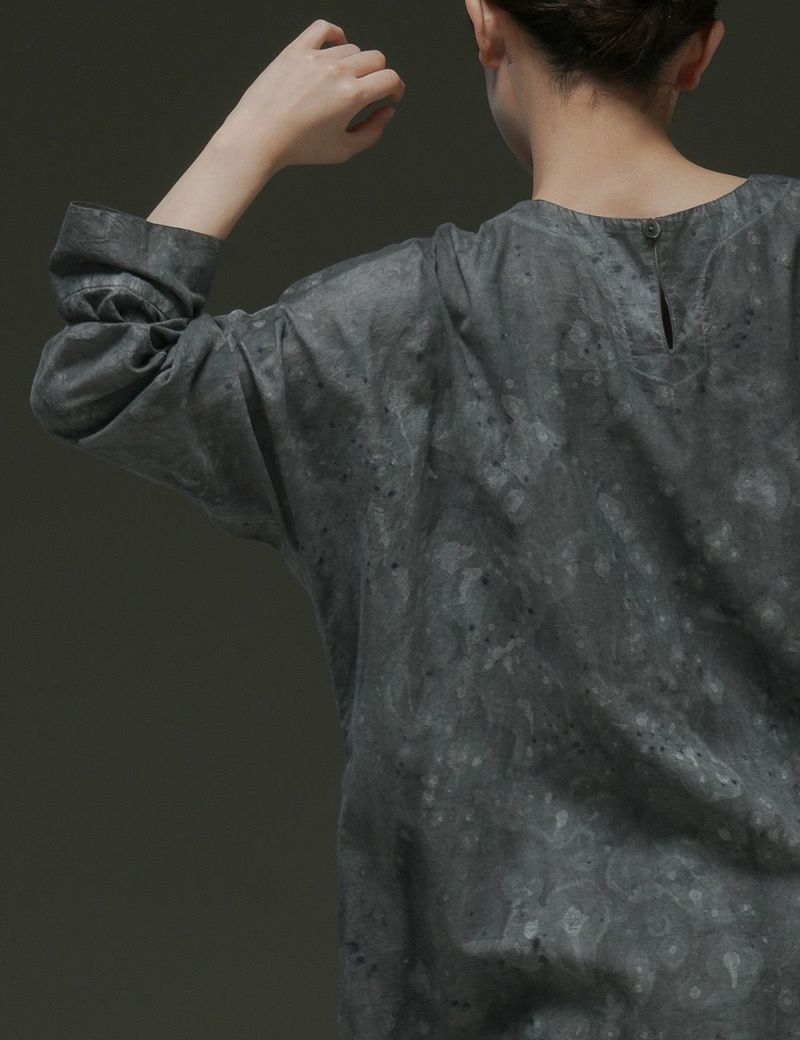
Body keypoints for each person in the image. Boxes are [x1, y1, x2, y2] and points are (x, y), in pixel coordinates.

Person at [28, 3, 800, 1038]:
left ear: (485, 24)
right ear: (700, 48)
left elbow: (100, 376)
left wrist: (249, 137)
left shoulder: (398, 327)